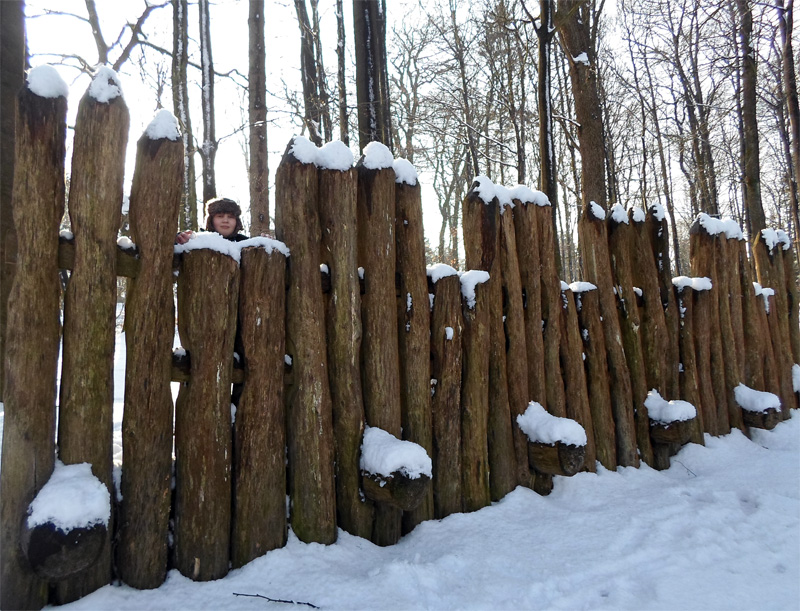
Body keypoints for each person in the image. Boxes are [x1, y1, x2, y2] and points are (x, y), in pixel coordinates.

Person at [176, 197, 248, 244]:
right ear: (210, 220)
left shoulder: (246, 244)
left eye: (231, 217)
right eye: (220, 216)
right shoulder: (195, 240)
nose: (225, 220)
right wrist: (182, 241)